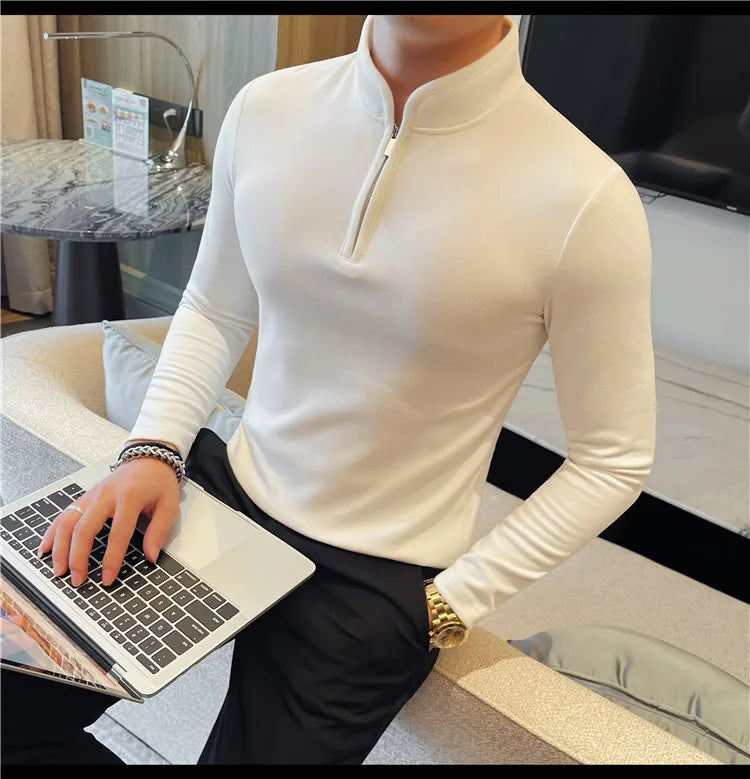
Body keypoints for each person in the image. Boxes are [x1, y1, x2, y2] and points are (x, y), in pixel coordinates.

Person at [1, 13, 656, 764]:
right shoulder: (268, 108)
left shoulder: (585, 198)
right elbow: (216, 306)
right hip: (224, 485)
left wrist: (450, 604)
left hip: (375, 576)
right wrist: (150, 448)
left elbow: (613, 457)